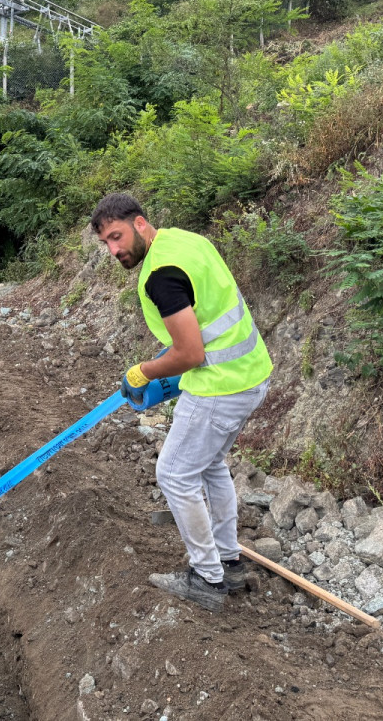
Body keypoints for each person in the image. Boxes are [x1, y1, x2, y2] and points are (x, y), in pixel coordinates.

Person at [91, 193, 272, 612]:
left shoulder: (161, 276)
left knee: (173, 473)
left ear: (139, 224)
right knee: (210, 466)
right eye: (106, 244)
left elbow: (190, 353)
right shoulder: (184, 241)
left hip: (219, 388)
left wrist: (144, 371)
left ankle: (207, 579)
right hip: (250, 374)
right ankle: (229, 560)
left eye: (117, 237)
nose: (114, 250)